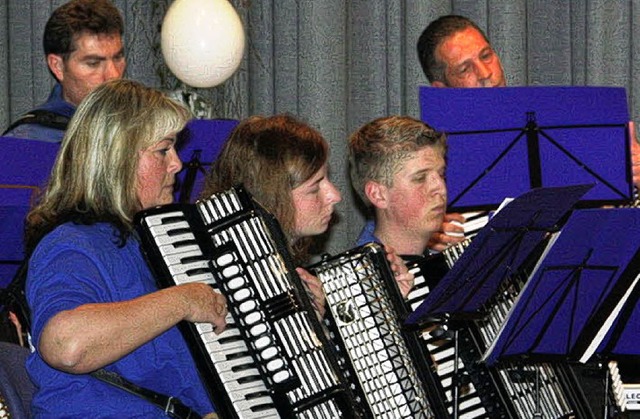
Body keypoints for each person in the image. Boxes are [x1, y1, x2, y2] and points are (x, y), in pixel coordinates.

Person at [24, 79, 226, 418]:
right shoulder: (70, 245)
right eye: (163, 150)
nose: (176, 164)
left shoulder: (150, 244)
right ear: (118, 159)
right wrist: (183, 300)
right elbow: (67, 345)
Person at [201, 114, 414, 310]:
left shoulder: (291, 272)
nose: (335, 195)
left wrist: (387, 304)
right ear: (271, 198)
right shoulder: (223, 280)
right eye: (315, 187)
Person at [4, 0, 126, 142]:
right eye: (93, 63)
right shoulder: (26, 143)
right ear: (57, 66)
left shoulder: (146, 128)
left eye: (118, 58)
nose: (113, 75)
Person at [349, 115, 447, 264]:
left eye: (441, 175)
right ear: (378, 195)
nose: (440, 188)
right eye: (420, 178)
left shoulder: (447, 260)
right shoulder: (360, 280)